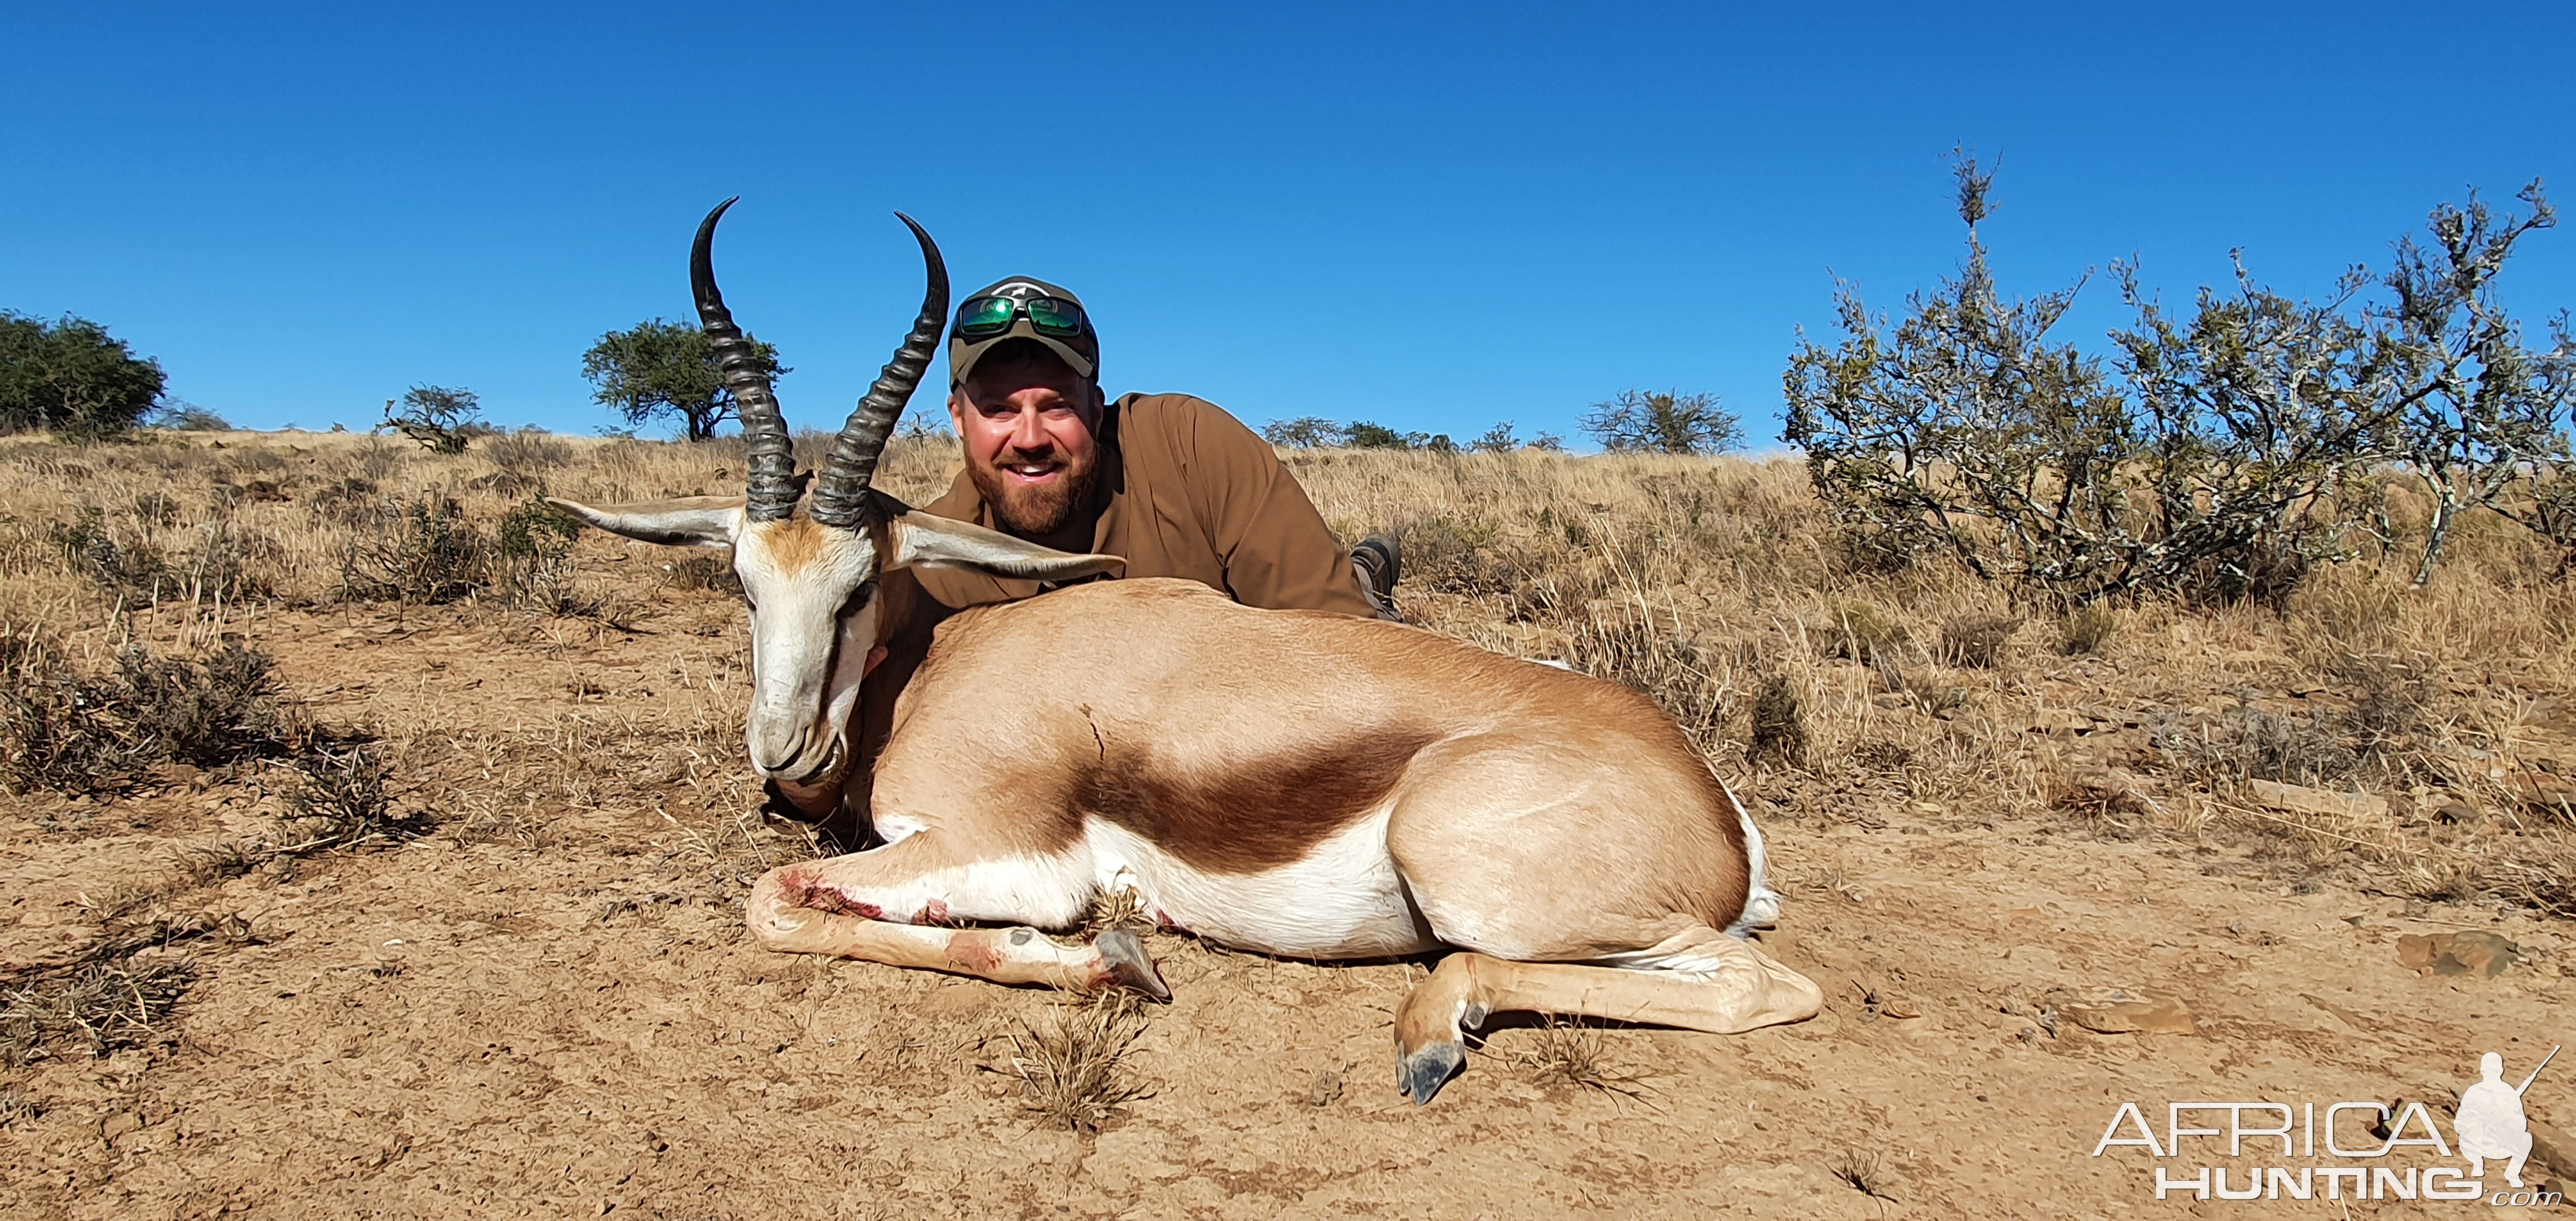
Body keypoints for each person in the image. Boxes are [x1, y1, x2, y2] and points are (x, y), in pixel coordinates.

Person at [779, 275, 1399, 843]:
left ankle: (1366, 573)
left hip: (1256, 669)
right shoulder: (931, 570)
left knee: (1363, 614)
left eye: (1055, 404)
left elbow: (1348, 648)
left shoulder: (1187, 444)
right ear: (958, 419)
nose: (1028, 438)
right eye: (997, 408)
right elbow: (856, 791)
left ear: (1094, 406)